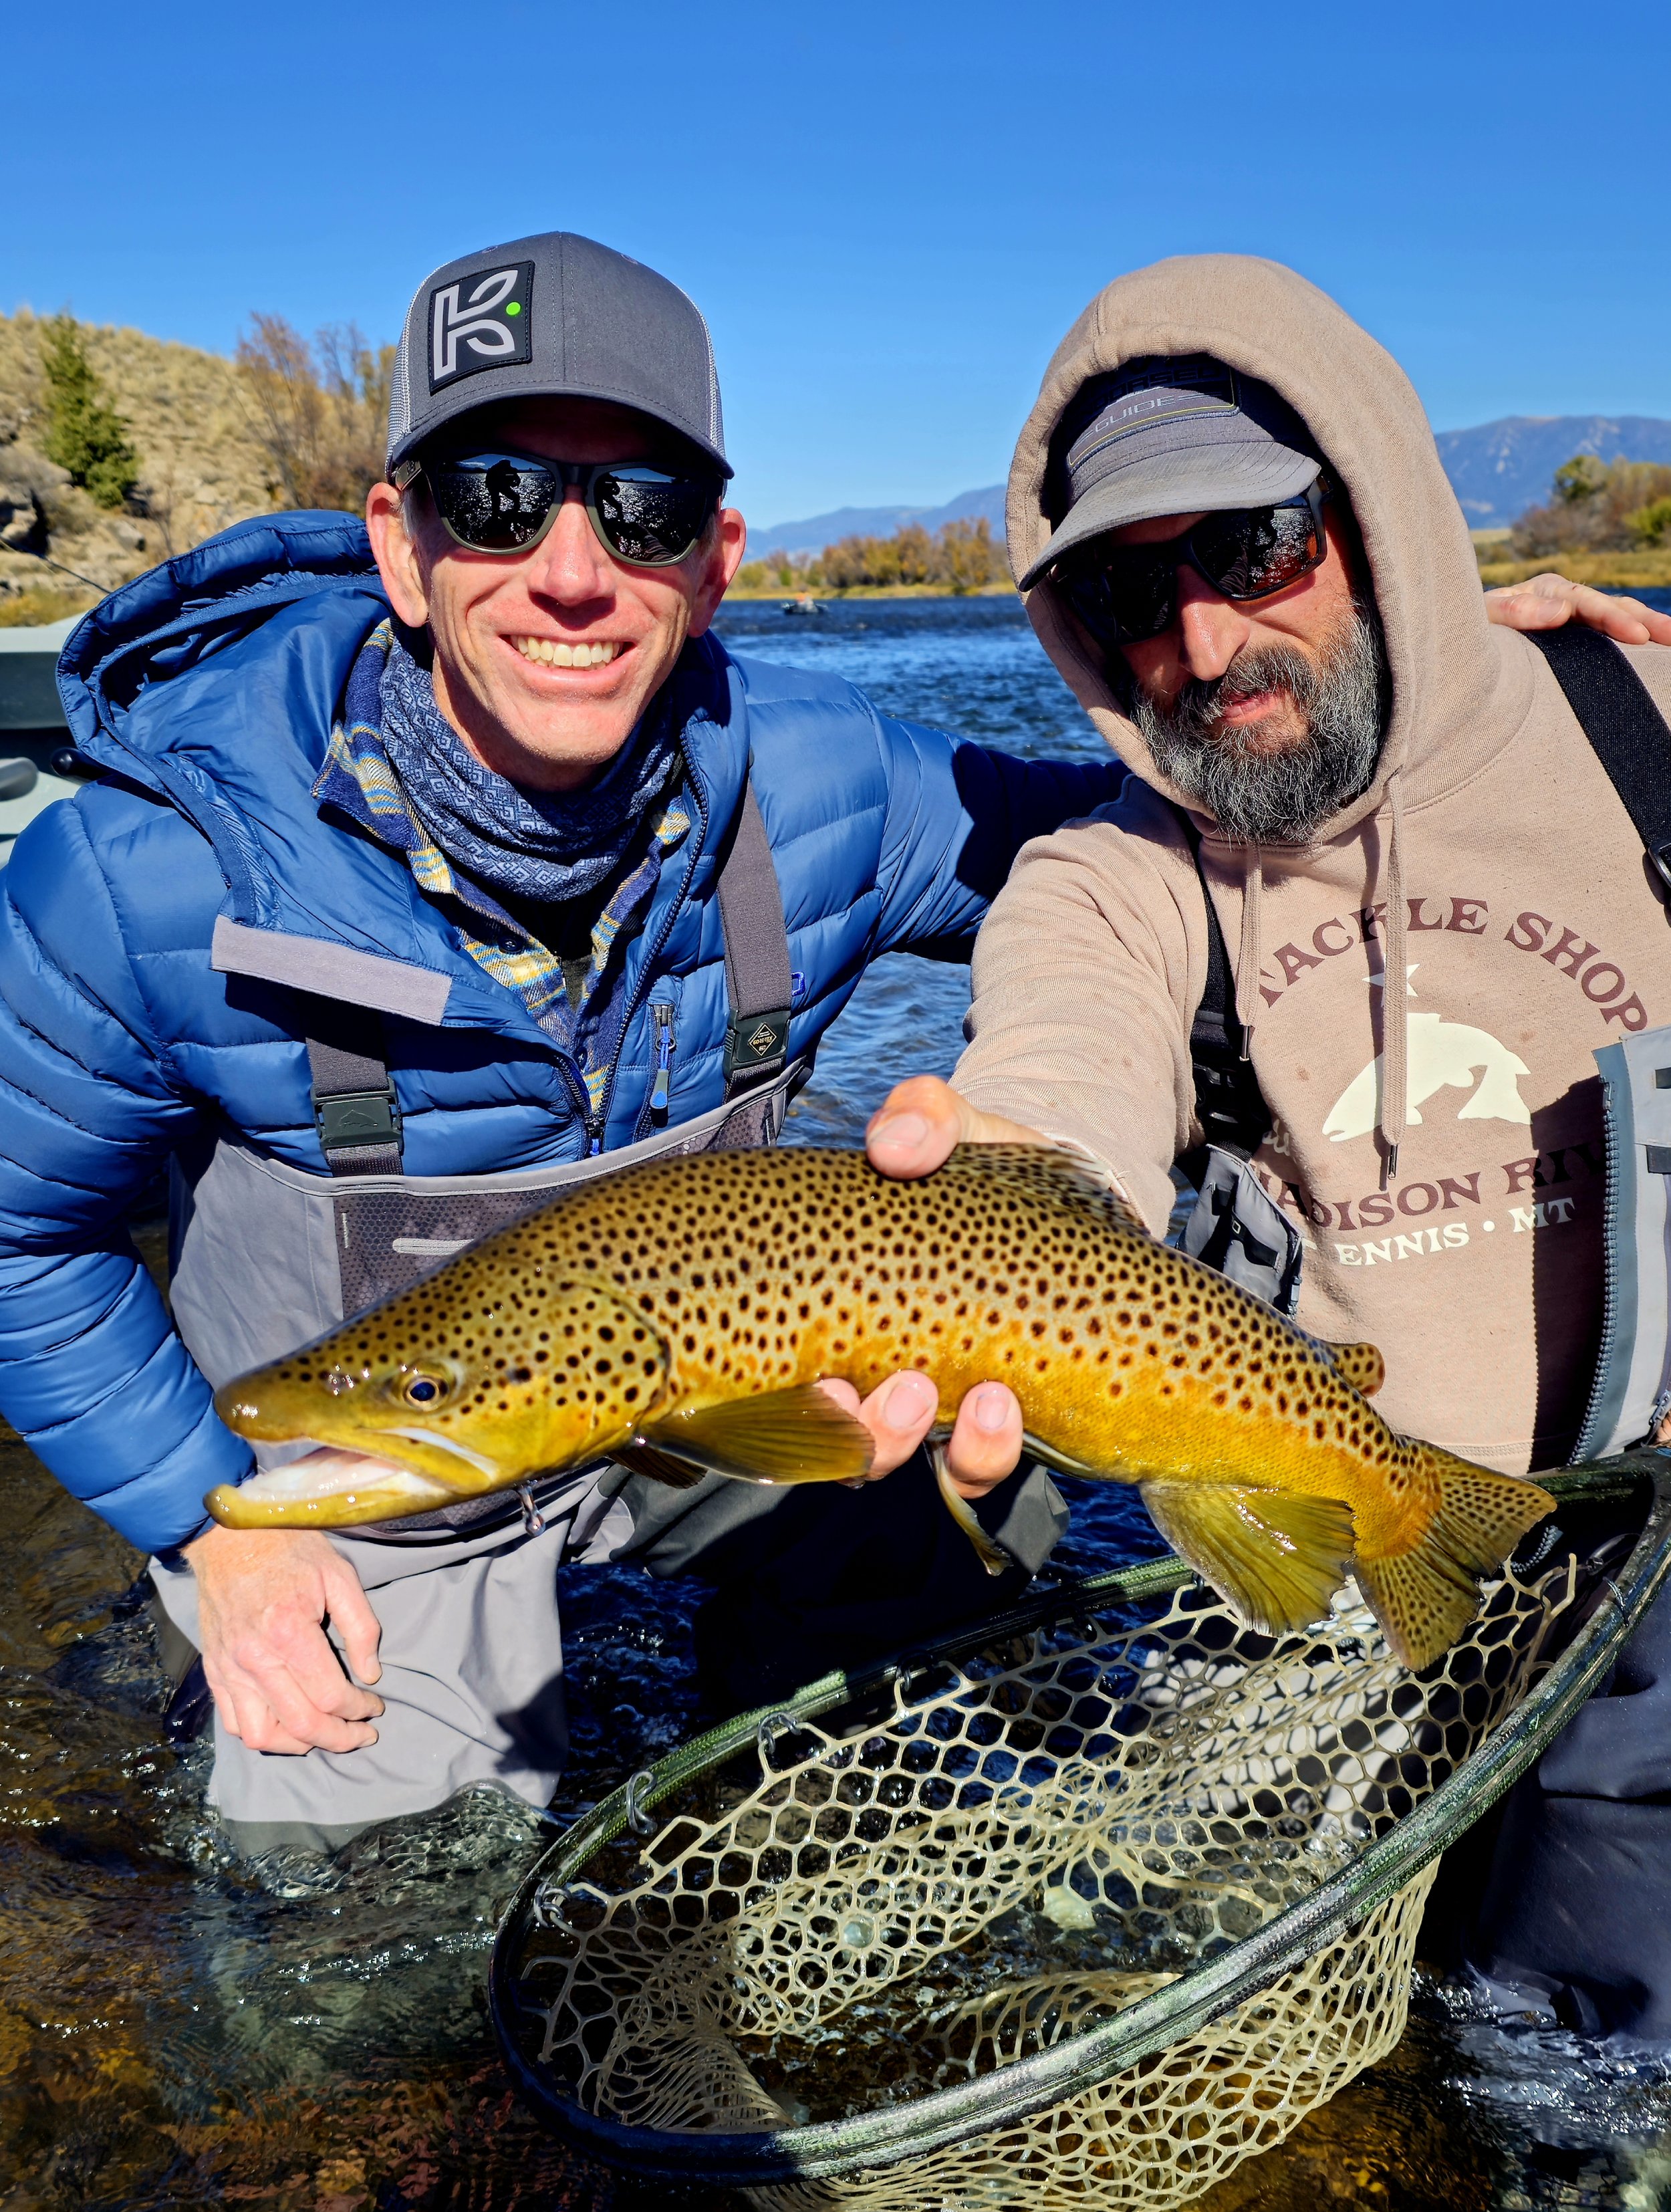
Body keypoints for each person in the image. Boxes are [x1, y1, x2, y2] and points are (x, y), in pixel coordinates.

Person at [0, 233, 1627, 1860]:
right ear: (398, 543)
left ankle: (796, 1813)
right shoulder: (134, 878)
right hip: (389, 1465)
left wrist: (1436, 677)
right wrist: (202, 1525)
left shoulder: (831, 782)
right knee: (352, 1935)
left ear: (713, 558)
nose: (570, 570)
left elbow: (1184, 838)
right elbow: (19, 1243)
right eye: (497, 496)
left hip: (714, 1400)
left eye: (635, 510)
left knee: (914, 1704)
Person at [864, 252, 1671, 2044]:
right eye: (1129, 589)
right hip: (1309, 1580)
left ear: (1376, 525)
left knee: (1585, 2093)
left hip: (1656, 1575)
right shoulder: (1112, 871)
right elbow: (1058, 1057)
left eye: (1254, 548)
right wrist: (1007, 1177)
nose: (1203, 643)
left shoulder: (1640, 726)